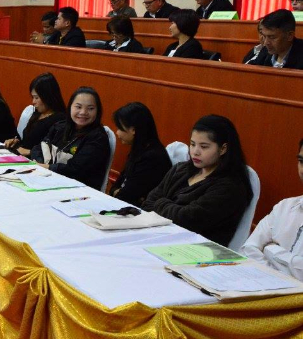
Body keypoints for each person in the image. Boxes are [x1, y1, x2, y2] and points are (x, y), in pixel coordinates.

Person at [144, 115, 251, 245]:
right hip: (159, 237)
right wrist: (171, 209)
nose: (195, 152)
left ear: (223, 149)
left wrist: (161, 202)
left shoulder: (230, 187)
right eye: (192, 144)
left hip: (196, 250)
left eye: (204, 147)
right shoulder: (180, 169)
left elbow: (186, 220)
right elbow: (148, 203)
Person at [242, 139, 303, 280]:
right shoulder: (284, 207)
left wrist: (270, 249)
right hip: (262, 285)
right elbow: (248, 250)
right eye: (301, 161)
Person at [30, 87, 111, 190]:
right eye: (78, 107)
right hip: (48, 179)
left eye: (90, 108)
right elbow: (39, 148)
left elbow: (76, 169)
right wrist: (40, 163)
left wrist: (47, 167)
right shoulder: (60, 127)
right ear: (70, 107)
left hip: (79, 190)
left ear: (97, 111)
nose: (83, 112)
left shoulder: (98, 138)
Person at [109, 102, 172, 206]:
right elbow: (116, 186)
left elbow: (125, 196)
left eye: (119, 128)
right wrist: (116, 191)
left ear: (133, 130)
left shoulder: (153, 158)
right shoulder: (138, 149)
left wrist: (118, 192)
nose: (117, 132)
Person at [4, 72, 67, 157]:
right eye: (33, 97)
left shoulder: (60, 120)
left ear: (48, 96)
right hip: (21, 156)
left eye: (36, 98)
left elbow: (52, 152)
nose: (33, 102)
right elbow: (28, 140)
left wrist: (29, 152)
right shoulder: (37, 113)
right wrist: (16, 141)